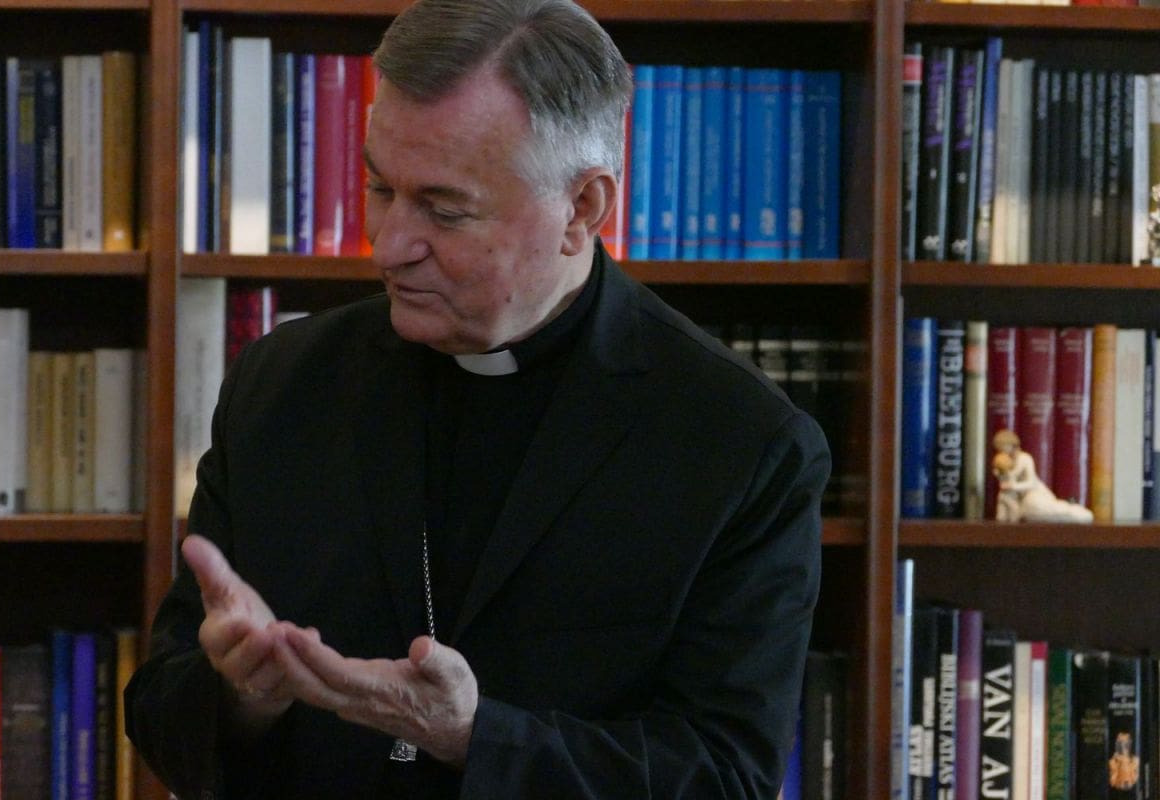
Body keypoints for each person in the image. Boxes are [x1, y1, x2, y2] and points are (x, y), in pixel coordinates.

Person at [125, 0, 830, 796]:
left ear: (583, 209)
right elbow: (158, 710)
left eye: (444, 210)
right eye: (379, 187)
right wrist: (242, 696)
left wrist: (474, 738)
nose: (389, 245)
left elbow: (724, 778)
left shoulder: (740, 442)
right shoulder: (281, 382)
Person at [991, 429, 1092, 523]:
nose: (1001, 451)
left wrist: (1013, 486)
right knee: (1027, 513)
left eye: (1003, 447)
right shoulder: (1004, 461)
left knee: (1038, 509)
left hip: (1034, 493)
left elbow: (1031, 483)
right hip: (1020, 498)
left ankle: (1074, 511)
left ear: (1011, 444)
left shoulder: (1025, 458)